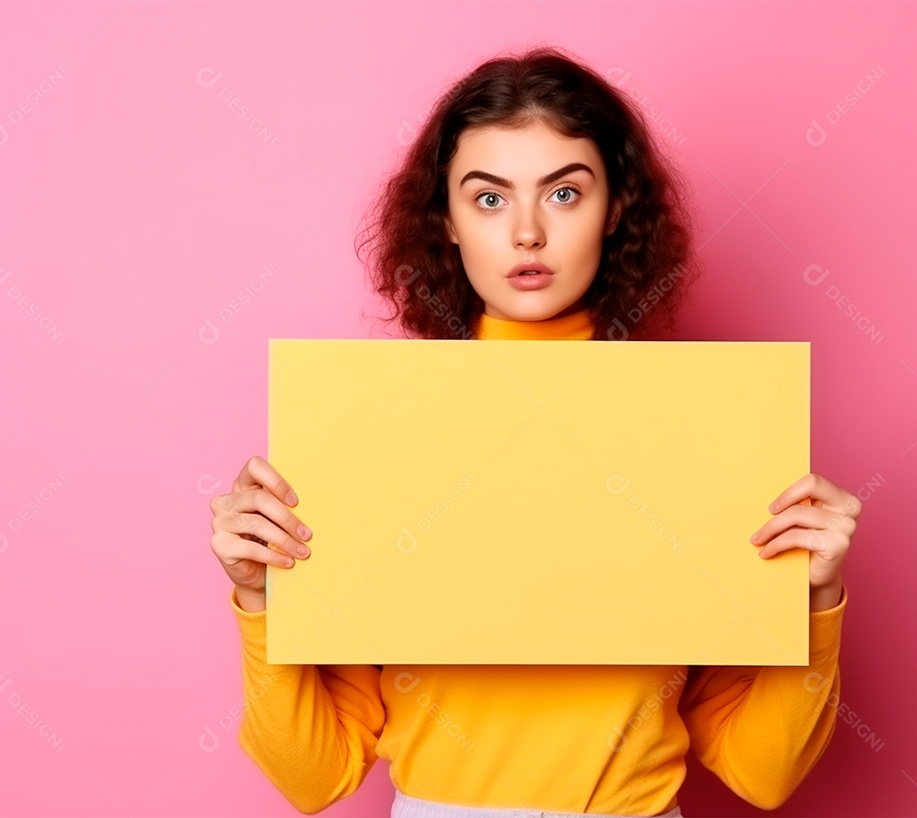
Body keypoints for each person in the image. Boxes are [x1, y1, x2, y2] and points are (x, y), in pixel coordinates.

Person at [208, 45, 859, 818]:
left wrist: (818, 600)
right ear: (444, 221)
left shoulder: (695, 428)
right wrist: (260, 598)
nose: (525, 233)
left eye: (563, 194)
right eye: (488, 199)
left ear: (616, 209)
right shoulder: (379, 431)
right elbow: (313, 777)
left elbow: (763, 770)